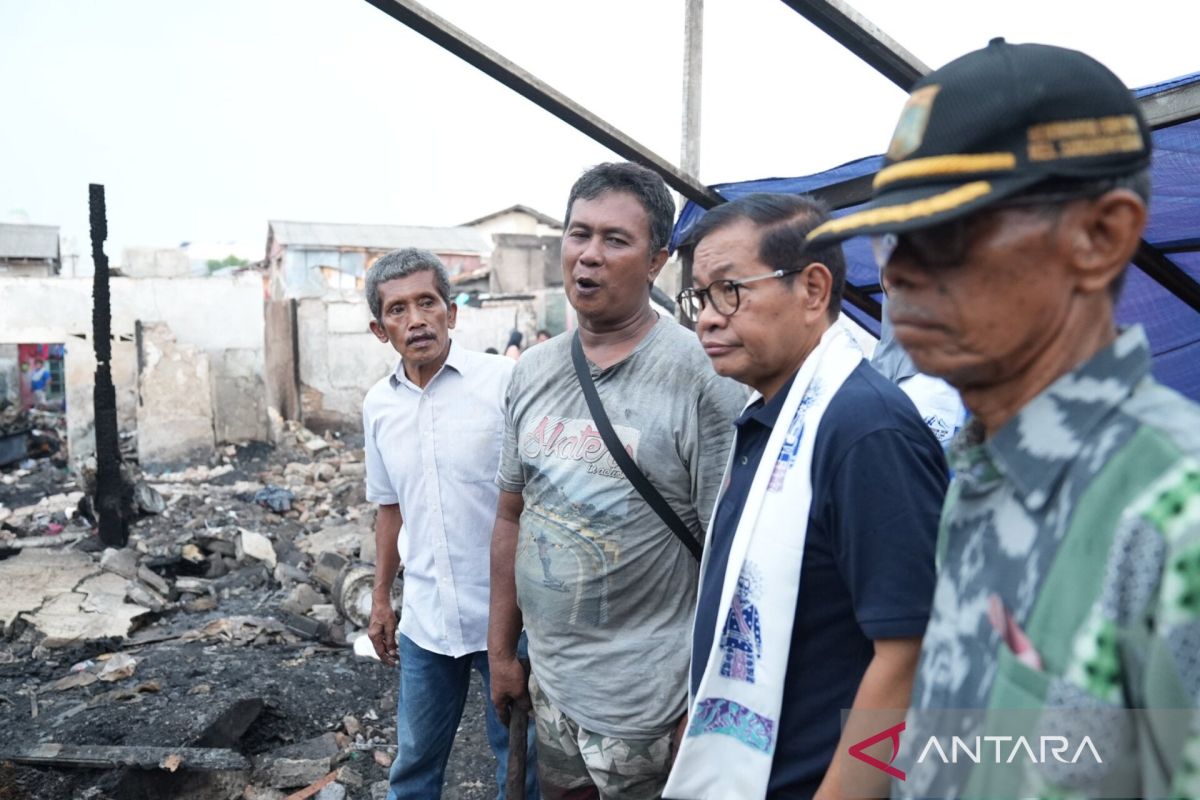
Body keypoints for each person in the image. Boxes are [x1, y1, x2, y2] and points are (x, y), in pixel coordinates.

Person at [807, 39, 1200, 798]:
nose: (896, 272)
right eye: (891, 236)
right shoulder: (984, 470)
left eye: (946, 232)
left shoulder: (1174, 515)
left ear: (1102, 236)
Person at [665, 194, 947, 799]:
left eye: (729, 290)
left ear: (813, 291)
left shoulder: (864, 430)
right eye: (698, 298)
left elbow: (911, 652)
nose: (706, 318)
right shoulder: (766, 413)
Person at [488, 162, 747, 799]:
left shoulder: (702, 379)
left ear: (657, 260)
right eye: (579, 234)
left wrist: (710, 704)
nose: (589, 256)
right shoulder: (531, 373)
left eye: (615, 240)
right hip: (551, 686)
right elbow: (510, 517)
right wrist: (501, 653)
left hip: (651, 703)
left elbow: (733, 557)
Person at [362, 248, 536, 800]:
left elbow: (537, 496)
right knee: (414, 765)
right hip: (427, 622)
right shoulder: (378, 406)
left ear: (451, 313)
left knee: (522, 761)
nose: (415, 320)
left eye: (426, 303)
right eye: (397, 309)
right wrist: (382, 598)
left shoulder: (504, 383)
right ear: (378, 328)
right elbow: (389, 507)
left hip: (508, 618)